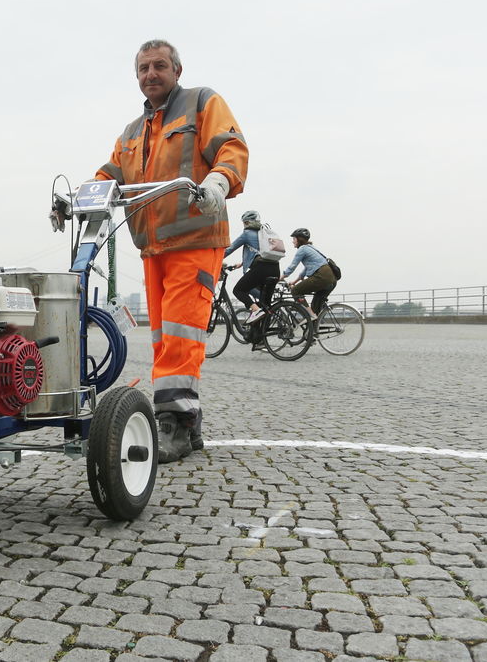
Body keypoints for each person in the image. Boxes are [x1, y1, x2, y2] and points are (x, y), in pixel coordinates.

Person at [93, 39, 248, 463]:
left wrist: (218, 182)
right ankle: (188, 422)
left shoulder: (201, 103)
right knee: (166, 339)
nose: (150, 74)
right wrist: (79, 198)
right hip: (152, 247)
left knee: (181, 334)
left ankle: (174, 424)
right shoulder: (130, 133)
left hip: (195, 238)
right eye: (143, 68)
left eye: (159, 66)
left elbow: (231, 148)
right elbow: (110, 174)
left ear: (177, 70)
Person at [224, 210, 279, 325]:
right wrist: (243, 263)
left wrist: (214, 258)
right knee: (266, 305)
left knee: (238, 290)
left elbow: (229, 249)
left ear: (247, 222)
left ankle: (256, 310)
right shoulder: (265, 233)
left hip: (261, 269)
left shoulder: (247, 233)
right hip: (275, 269)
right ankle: (259, 339)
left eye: (244, 223)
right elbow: (261, 253)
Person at [280, 228, 336, 318]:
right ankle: (313, 324)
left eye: (294, 239)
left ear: (299, 239)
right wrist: (294, 282)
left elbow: (292, 267)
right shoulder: (311, 248)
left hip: (321, 277)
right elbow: (306, 269)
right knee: (315, 307)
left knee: (295, 291)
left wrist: (280, 278)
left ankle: (311, 315)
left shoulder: (302, 249)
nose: (292, 241)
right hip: (331, 279)